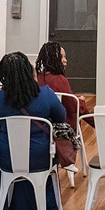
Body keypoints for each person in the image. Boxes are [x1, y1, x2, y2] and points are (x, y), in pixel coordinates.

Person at [0, 52, 67, 210]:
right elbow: (61, 117)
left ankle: (8, 206)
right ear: (29, 72)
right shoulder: (46, 94)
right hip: (40, 157)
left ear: (2, 75)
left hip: (7, 160)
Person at [35, 39, 93, 167]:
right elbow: (72, 106)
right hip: (61, 128)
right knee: (79, 105)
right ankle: (97, 125)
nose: (66, 60)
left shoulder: (38, 78)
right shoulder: (60, 80)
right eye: (63, 57)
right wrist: (81, 101)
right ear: (55, 59)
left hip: (41, 126)